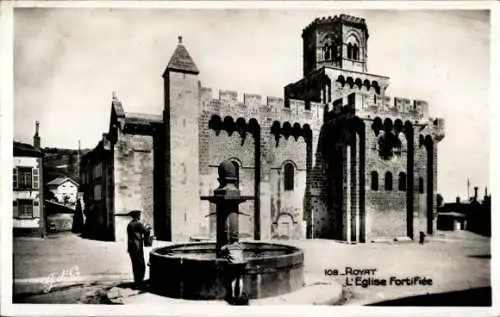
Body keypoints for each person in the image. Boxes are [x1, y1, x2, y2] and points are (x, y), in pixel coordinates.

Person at [127, 210, 152, 289]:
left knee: (135, 265)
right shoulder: (138, 224)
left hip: (131, 247)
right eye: (139, 215)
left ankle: (136, 282)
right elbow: (145, 231)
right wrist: (148, 228)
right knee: (141, 266)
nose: (140, 216)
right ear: (137, 216)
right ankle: (139, 283)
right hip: (138, 247)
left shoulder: (129, 224)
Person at [221, 235, 248, 304]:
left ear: (231, 240)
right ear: (238, 240)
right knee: (240, 279)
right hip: (241, 265)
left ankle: (232, 295)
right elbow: (245, 246)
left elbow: (222, 248)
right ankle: (240, 295)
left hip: (233, 265)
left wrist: (228, 245)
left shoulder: (229, 247)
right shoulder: (241, 246)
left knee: (234, 279)